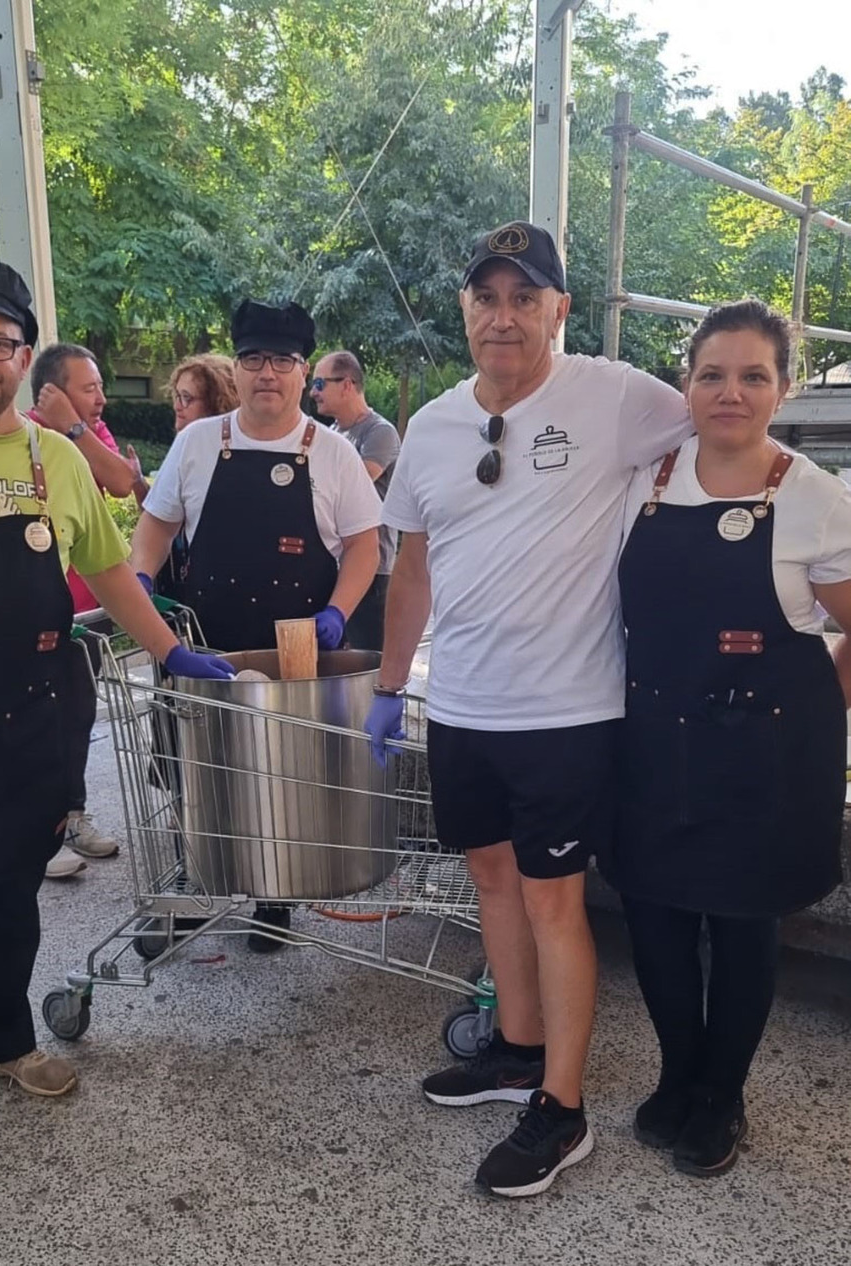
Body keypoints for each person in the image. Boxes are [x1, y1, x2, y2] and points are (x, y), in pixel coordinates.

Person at [0, 256, 232, 1188]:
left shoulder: (54, 457)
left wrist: (171, 651)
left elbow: (108, 571)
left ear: (25, 355)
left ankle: (4, 1045)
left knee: (7, 901)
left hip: (26, 720)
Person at [364, 220, 691, 1198]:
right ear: (465, 308)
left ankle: (562, 1106)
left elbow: (726, 423)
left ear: (559, 309)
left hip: (566, 711)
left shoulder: (617, 396)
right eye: (485, 298)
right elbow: (410, 565)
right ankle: (513, 1046)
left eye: (524, 298)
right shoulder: (429, 424)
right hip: (460, 703)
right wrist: (390, 688)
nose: (502, 317)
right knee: (490, 880)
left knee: (555, 900)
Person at [603, 299, 851, 1177]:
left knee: (744, 929)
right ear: (688, 385)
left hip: (766, 760)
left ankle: (724, 1094)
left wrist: (813, 706)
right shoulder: (647, 478)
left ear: (781, 389)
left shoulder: (818, 499)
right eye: (712, 373)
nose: (730, 392)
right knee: (658, 919)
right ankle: (678, 1074)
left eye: (753, 375)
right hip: (655, 747)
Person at [130, 299, 381, 951]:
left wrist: (338, 612)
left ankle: (274, 896)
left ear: (305, 375)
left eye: (284, 361)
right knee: (193, 770)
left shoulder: (331, 453)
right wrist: (137, 578)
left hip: (294, 652)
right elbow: (156, 526)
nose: (268, 372)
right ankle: (199, 882)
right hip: (202, 646)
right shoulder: (195, 444)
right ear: (237, 371)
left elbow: (364, 545)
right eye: (254, 360)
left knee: (280, 774)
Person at [30, 342, 138, 878]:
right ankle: (37, 831)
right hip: (37, 617)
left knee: (77, 716)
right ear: (51, 390)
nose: (100, 399)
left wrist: (76, 428)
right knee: (36, 723)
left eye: (100, 387)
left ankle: (71, 818)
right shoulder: (26, 434)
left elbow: (121, 482)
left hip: (87, 614)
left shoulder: (85, 434)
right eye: (88, 388)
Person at [125, 355, 241, 601]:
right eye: (176, 396)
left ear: (217, 402)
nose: (178, 405)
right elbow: (162, 515)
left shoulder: (228, 452)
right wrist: (137, 482)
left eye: (187, 398)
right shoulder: (184, 444)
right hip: (175, 581)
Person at [310, 351, 400, 649]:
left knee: (370, 665)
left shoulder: (379, 433)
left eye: (320, 383)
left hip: (372, 570)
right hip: (337, 565)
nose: (313, 392)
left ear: (347, 385)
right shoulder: (333, 434)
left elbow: (351, 486)